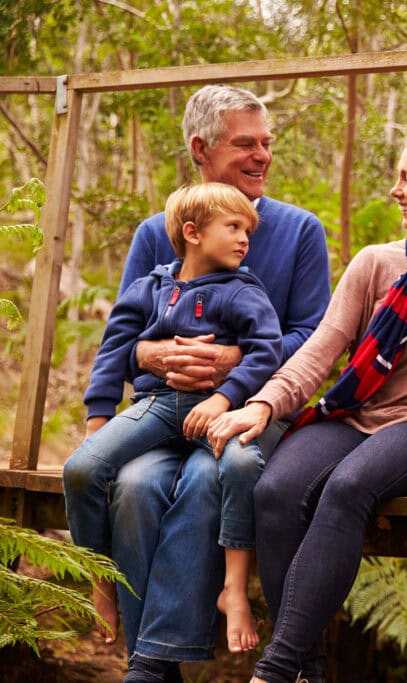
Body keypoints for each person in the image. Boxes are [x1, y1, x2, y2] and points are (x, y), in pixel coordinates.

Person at [205, 125, 407, 683]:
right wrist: (263, 404)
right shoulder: (376, 262)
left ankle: (276, 669)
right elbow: (320, 349)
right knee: (276, 490)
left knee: (348, 487)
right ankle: (306, 669)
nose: (397, 191)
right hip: (356, 414)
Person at [107, 84, 332, 682]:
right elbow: (125, 340)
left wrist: (232, 362)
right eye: (245, 144)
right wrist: (155, 355)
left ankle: (150, 666)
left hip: (252, 415)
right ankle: (149, 658)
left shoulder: (300, 230)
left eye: (267, 144)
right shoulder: (159, 231)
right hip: (165, 414)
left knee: (209, 479)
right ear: (200, 149)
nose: (262, 156)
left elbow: (313, 337)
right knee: (132, 488)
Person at [63, 182, 281, 654]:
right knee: (80, 469)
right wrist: (99, 416)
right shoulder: (150, 289)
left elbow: (268, 351)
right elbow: (113, 350)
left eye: (249, 229)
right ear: (193, 233)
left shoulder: (244, 291)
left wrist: (225, 398)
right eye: (234, 227)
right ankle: (102, 580)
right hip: (156, 407)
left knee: (244, 466)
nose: (245, 238)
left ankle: (234, 589)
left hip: (219, 411)